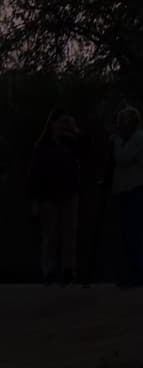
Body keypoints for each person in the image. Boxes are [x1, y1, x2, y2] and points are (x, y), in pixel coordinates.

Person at [27, 113, 84, 286]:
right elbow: (34, 174)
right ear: (51, 124)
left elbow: (87, 150)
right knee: (50, 235)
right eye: (60, 123)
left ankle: (68, 270)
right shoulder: (42, 147)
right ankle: (49, 271)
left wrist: (74, 132)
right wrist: (35, 200)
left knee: (69, 234)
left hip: (70, 194)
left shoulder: (71, 143)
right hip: (48, 196)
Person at [107, 106, 143, 288]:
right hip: (128, 191)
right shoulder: (133, 139)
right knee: (127, 234)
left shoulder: (138, 139)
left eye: (122, 122)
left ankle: (137, 274)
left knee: (133, 234)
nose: (119, 126)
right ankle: (130, 274)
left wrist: (116, 142)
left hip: (135, 191)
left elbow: (123, 158)